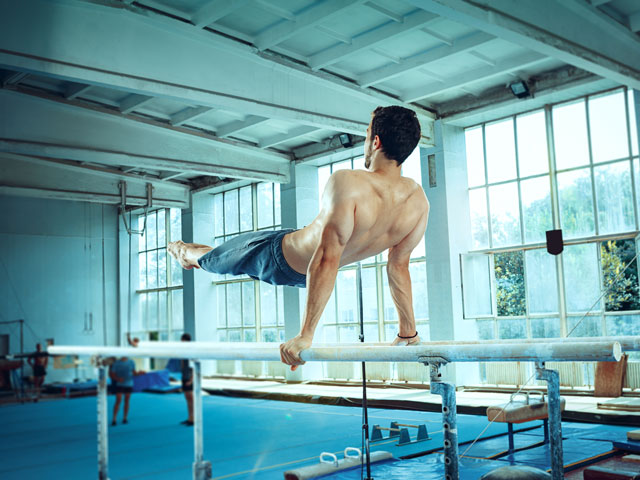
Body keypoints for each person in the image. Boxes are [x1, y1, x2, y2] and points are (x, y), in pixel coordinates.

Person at [168, 106, 429, 370]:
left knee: (218, 257)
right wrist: (408, 331)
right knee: (215, 260)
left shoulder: (349, 181)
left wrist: (306, 335)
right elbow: (398, 266)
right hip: (283, 253)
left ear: (376, 141)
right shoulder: (418, 201)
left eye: (366, 135)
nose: (365, 143)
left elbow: (328, 257)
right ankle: (184, 252)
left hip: (287, 261)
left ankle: (188, 253)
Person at [109, 356, 138, 425]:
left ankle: (125, 418)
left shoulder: (131, 362)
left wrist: (139, 373)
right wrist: (118, 379)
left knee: (127, 401)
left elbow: (134, 373)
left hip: (129, 384)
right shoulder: (116, 363)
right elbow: (111, 374)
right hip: (120, 384)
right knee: (118, 400)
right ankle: (114, 418)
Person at [179, 333, 194, 426]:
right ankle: (189, 418)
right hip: (184, 377)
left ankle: (193, 419)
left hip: (189, 377)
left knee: (191, 399)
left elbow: (194, 368)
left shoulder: (191, 352)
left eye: (182, 340)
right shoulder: (183, 352)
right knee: (187, 398)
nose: (181, 342)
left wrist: (191, 380)